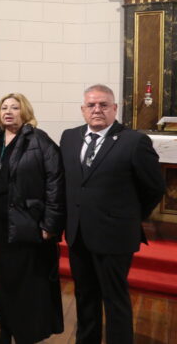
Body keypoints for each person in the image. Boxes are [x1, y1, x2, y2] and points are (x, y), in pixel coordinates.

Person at [60, 84, 165, 344]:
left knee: (115, 299)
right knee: (85, 296)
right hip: (78, 234)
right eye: (91, 105)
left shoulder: (134, 141)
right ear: (83, 110)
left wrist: (128, 216)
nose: (97, 110)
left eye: (104, 105)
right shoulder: (69, 137)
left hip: (115, 236)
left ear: (115, 109)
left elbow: (154, 187)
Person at [0, 93, 65, 344]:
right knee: (3, 280)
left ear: (25, 112)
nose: (8, 112)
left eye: (14, 107)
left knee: (26, 282)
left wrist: (49, 224)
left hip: (27, 223)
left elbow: (55, 183)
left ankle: (26, 334)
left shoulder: (39, 140)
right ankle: (5, 328)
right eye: (4, 108)